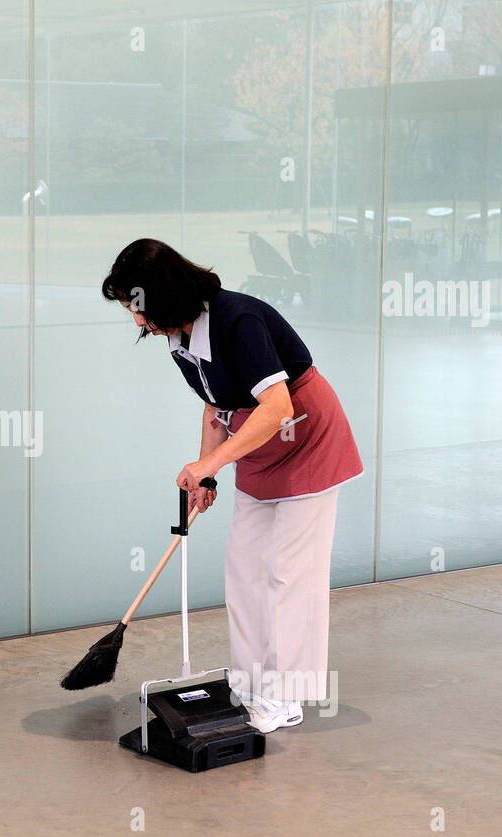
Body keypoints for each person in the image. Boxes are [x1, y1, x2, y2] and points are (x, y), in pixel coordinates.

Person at [101, 238, 363, 733]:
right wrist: (208, 470)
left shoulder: (238, 321)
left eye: (139, 308)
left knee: (290, 573)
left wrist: (214, 461)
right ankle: (249, 684)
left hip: (305, 437)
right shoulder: (180, 342)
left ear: (167, 295)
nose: (137, 321)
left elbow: (278, 406)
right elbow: (215, 406)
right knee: (244, 565)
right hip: (259, 446)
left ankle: (284, 697)